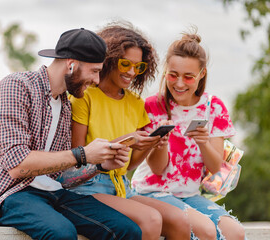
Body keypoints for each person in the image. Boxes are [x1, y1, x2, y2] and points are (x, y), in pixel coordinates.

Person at [0, 28, 142, 240]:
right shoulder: (15, 87)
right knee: (61, 233)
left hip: (52, 193)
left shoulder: (64, 106)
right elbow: (17, 165)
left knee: (128, 230)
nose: (97, 80)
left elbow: (61, 176)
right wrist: (82, 154)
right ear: (71, 64)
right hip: (9, 194)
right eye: (94, 71)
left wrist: (99, 166)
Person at [58, 23, 191, 240]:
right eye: (125, 63)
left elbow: (129, 165)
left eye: (137, 67)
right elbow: (77, 155)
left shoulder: (136, 103)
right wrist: (125, 141)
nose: (131, 72)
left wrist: (150, 145)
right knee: (151, 219)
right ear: (109, 60)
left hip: (121, 187)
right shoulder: (85, 96)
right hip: (87, 187)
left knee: (179, 220)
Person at [131, 28, 246, 239]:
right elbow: (157, 169)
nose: (180, 83)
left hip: (189, 195)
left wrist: (203, 143)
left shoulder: (214, 108)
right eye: (173, 75)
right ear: (166, 70)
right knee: (206, 231)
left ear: (201, 74)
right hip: (151, 191)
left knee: (235, 232)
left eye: (189, 77)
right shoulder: (151, 107)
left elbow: (214, 167)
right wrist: (161, 144)